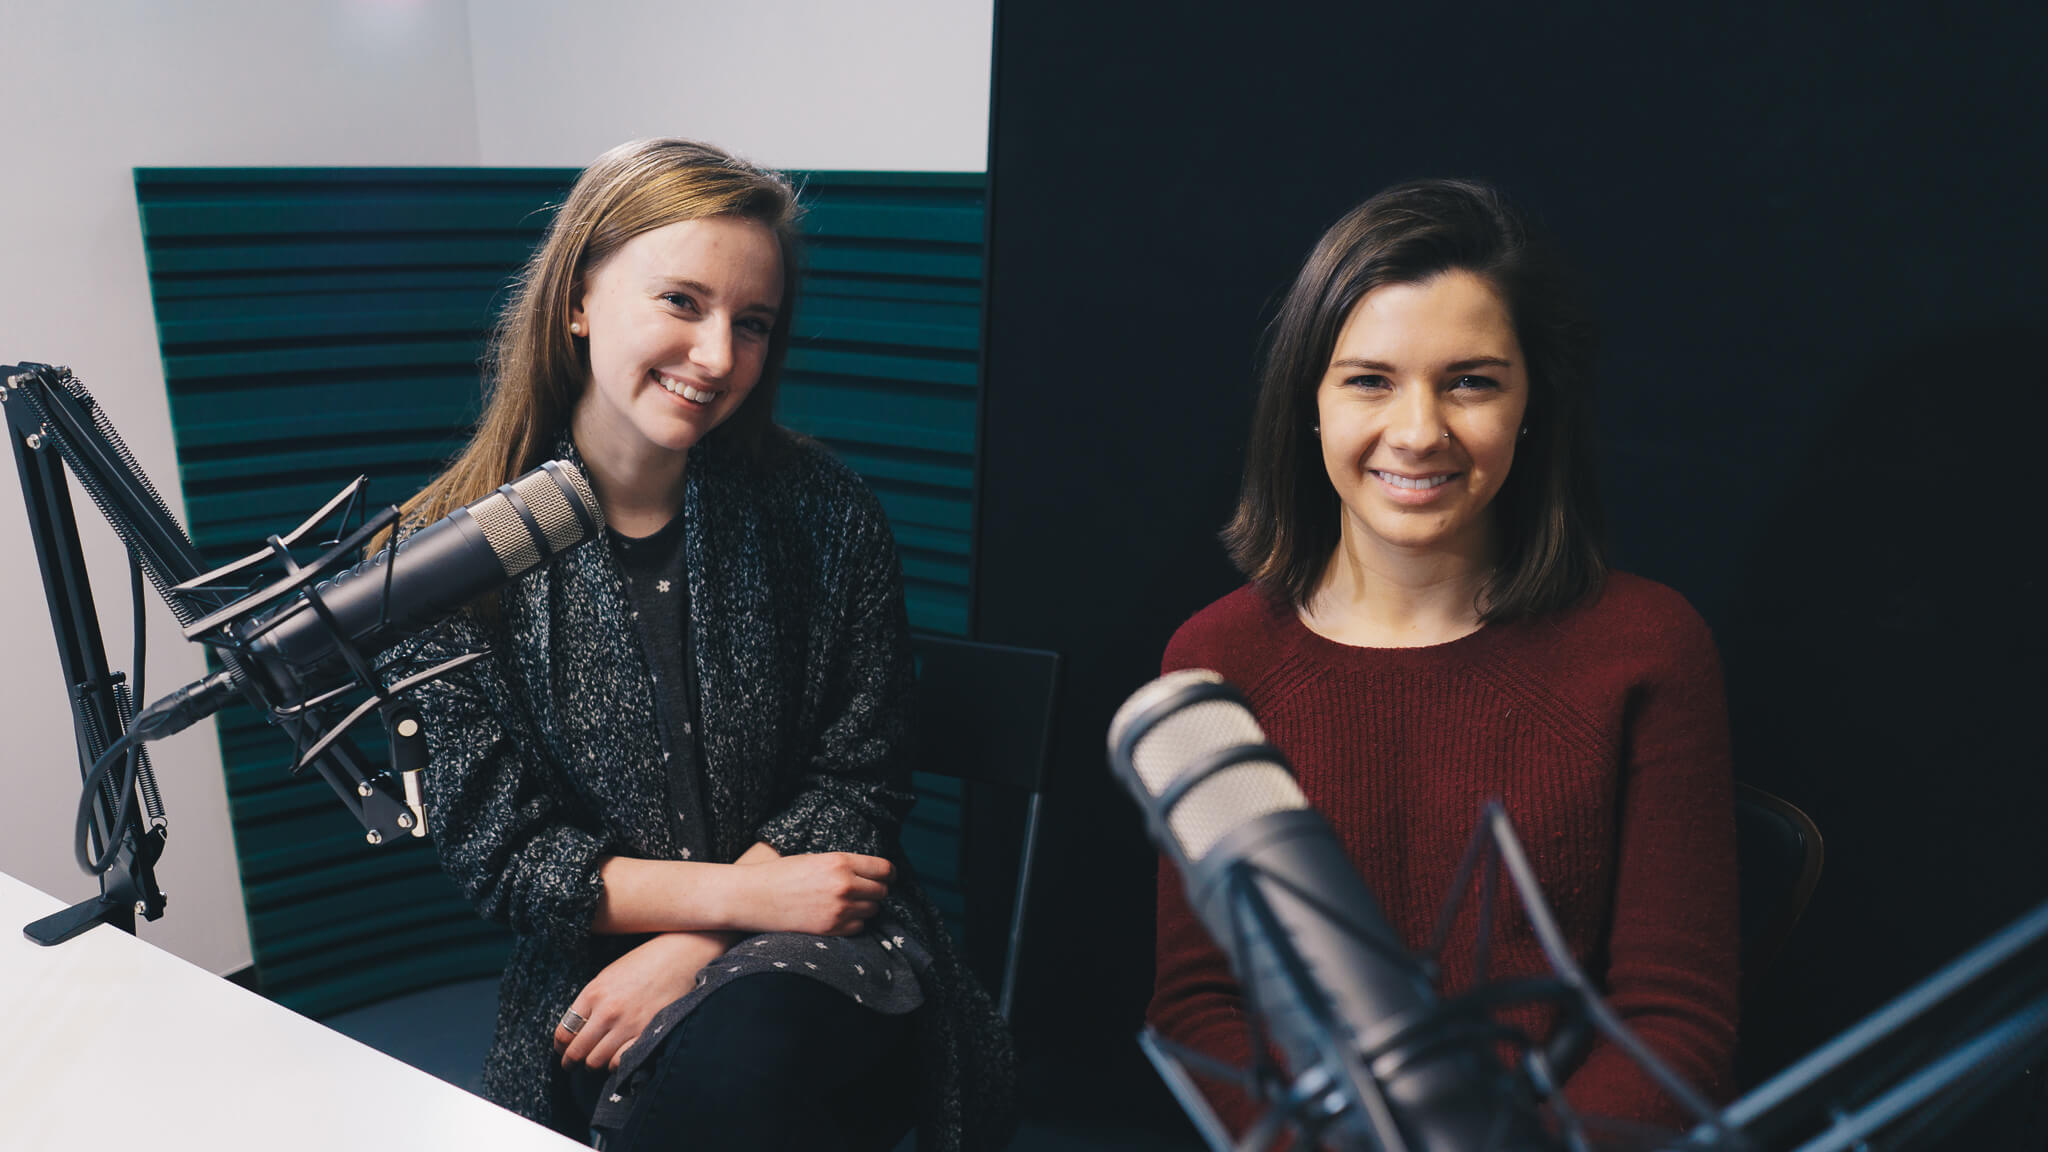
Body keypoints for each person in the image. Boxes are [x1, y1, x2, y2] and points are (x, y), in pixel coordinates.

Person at [381, 138, 1013, 1151]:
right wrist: (741, 899)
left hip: (831, 944)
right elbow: (508, 858)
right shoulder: (440, 565)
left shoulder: (826, 515)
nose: (718, 357)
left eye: (751, 322)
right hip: (597, 964)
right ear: (578, 299)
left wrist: (698, 940)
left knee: (738, 1068)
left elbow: (859, 784)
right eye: (682, 302)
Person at [1147, 180, 1739, 1138]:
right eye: (1369, 380)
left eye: (1471, 382)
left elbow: (1675, 1021)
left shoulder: (1647, 646)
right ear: (1309, 402)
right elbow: (1203, 1005)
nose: (1419, 431)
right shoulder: (1215, 661)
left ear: (1530, 403)